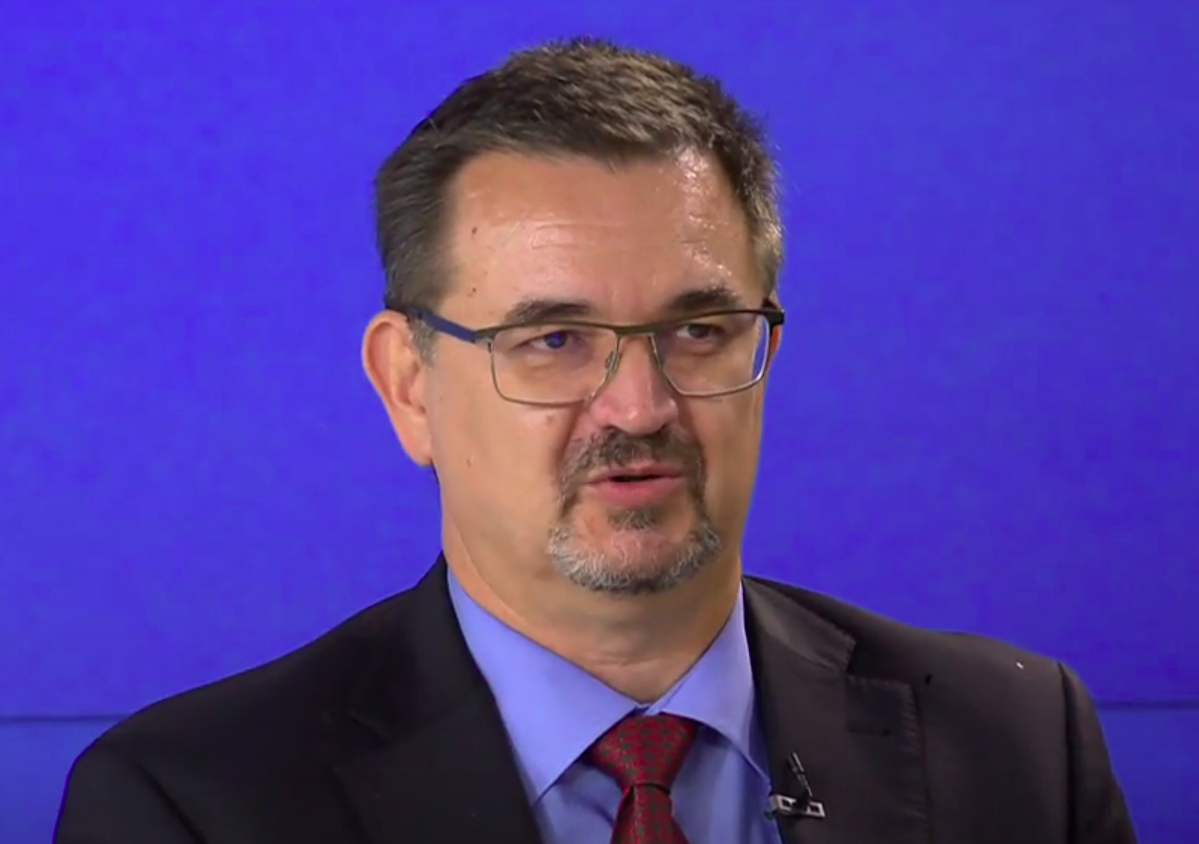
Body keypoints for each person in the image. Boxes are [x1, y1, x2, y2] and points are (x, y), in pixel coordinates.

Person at [55, 37, 1137, 844]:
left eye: (698, 330)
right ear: (409, 386)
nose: (637, 406)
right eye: (553, 340)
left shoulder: (1015, 745)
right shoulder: (191, 804)